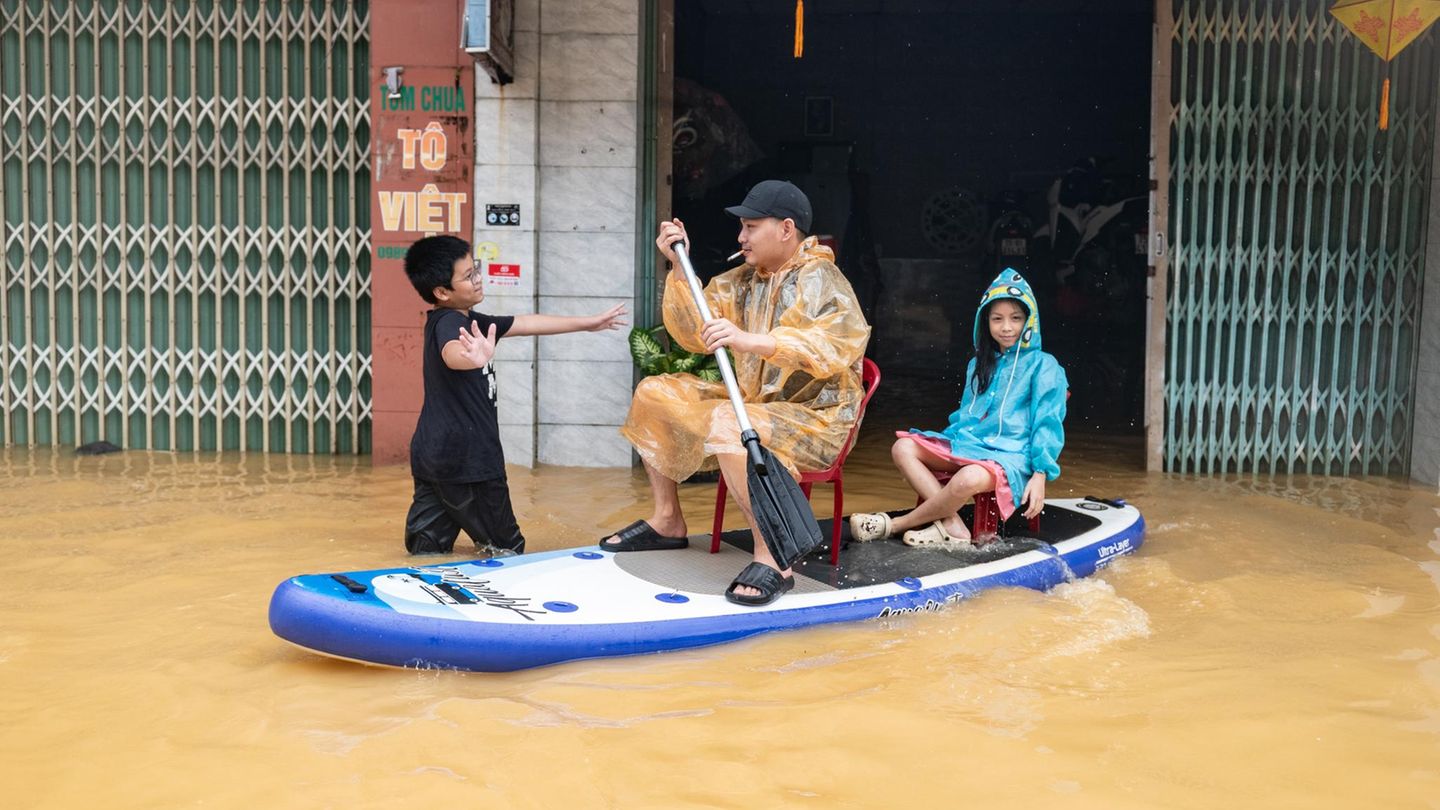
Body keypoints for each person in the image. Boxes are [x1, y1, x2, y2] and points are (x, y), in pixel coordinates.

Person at [600, 180, 871, 606]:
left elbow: (833, 348)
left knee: (732, 423)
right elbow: (692, 334)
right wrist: (676, 265)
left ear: (785, 229)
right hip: (754, 406)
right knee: (656, 391)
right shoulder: (742, 280)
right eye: (741, 228)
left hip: (815, 419)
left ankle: (773, 559)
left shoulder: (822, 278)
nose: (741, 237)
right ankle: (668, 521)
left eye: (750, 227)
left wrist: (749, 340)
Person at [402, 235, 627, 555]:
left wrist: (588, 324)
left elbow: (525, 323)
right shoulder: (450, 324)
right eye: (468, 276)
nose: (478, 279)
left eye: (475, 269)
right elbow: (452, 352)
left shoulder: (464, 319)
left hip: (432, 455)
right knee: (506, 551)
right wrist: (472, 359)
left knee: (426, 550)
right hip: (469, 461)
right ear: (441, 292)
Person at [849, 269, 1067, 547]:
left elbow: (1047, 423)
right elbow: (967, 415)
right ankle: (953, 525)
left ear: (1029, 321)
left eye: (1016, 318)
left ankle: (895, 525)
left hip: (1013, 455)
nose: (1007, 327)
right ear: (984, 322)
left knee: (967, 478)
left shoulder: (1044, 365)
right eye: (997, 319)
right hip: (969, 445)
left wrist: (1040, 474)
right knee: (902, 447)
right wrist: (948, 445)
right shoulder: (978, 364)